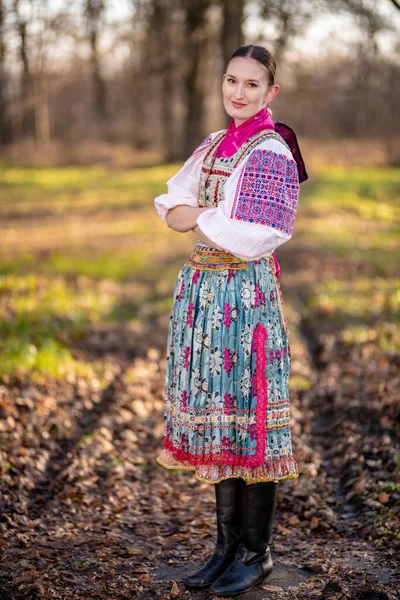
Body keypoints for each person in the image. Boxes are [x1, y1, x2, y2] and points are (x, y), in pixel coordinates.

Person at [154, 44, 307, 597]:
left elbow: (258, 232)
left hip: (245, 298)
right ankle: (223, 547)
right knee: (223, 418)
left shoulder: (272, 151)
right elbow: (172, 203)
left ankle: (256, 552)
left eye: (250, 84)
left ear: (271, 93)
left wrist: (202, 219)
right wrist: (201, 217)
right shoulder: (216, 144)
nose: (237, 93)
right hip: (204, 292)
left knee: (252, 412)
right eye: (231, 81)